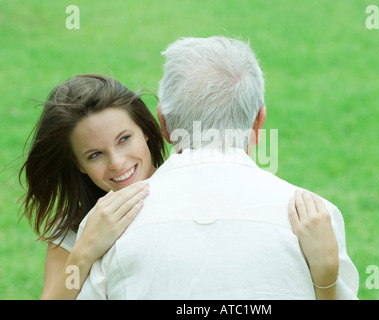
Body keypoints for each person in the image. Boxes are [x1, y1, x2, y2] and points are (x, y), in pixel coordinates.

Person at [77, 36, 359, 300]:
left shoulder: (106, 225)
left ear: (163, 124)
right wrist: (325, 281)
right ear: (258, 123)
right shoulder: (318, 217)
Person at [20, 74, 167, 299]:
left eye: (124, 139)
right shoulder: (74, 231)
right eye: (95, 154)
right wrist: (85, 250)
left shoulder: (187, 186)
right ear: (78, 164)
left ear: (145, 130)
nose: (117, 163)